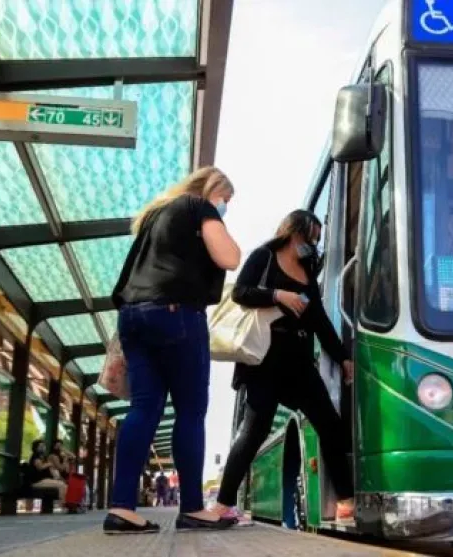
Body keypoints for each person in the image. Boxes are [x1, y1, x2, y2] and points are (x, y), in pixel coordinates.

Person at [104, 166, 241, 535]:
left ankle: (122, 508)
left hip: (132, 316)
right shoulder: (199, 207)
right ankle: (193, 508)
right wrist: (217, 219)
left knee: (144, 408)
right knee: (191, 411)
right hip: (176, 312)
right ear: (214, 191)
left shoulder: (155, 216)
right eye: (226, 200)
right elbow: (229, 258)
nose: (225, 207)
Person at [210, 210, 356, 523]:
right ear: (293, 232)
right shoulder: (264, 256)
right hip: (265, 358)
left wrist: (343, 355)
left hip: (299, 360)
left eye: (316, 240)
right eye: (310, 237)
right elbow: (240, 292)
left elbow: (318, 319)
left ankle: (346, 500)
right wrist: (278, 295)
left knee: (330, 423)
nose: (312, 244)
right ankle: (222, 505)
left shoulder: (307, 269)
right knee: (254, 430)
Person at [28, 439, 67, 504]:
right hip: (37, 481)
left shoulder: (44, 457)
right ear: (35, 448)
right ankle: (63, 504)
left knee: (63, 484)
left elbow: (51, 469)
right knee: (61, 485)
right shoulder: (35, 456)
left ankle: (66, 504)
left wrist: (56, 476)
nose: (43, 448)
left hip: (45, 480)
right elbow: (40, 467)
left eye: (44, 446)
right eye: (40, 446)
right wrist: (49, 464)